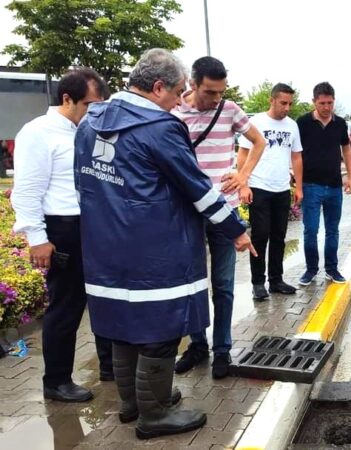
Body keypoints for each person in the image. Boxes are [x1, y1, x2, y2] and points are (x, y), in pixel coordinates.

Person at [74, 48, 255, 440]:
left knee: (121, 327)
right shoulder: (159, 127)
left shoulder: (91, 122)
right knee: (160, 332)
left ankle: (132, 403)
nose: (179, 102)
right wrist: (236, 230)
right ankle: (153, 415)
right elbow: (198, 190)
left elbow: (84, 185)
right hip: (154, 251)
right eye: (176, 93)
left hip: (105, 248)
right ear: (157, 88)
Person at [10, 68, 114, 403]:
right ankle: (56, 381)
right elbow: (26, 192)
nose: (93, 111)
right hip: (62, 229)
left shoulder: (87, 130)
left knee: (103, 300)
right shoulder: (38, 132)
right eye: (88, 104)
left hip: (94, 227)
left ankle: (111, 366)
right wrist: (37, 238)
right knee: (66, 309)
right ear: (66, 98)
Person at [171, 56, 267, 379]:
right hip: (187, 211)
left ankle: (222, 349)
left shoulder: (229, 110)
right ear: (193, 84)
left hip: (224, 209)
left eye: (220, 92)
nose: (216, 99)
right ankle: (197, 345)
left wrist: (243, 175)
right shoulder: (174, 113)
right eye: (210, 92)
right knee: (191, 283)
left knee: (223, 284)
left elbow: (258, 140)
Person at [239, 83, 303, 299]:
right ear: (272, 100)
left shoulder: (292, 126)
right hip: (259, 187)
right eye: (283, 102)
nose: (287, 107)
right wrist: (243, 184)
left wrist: (299, 187)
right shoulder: (255, 122)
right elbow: (243, 154)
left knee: (279, 236)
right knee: (260, 235)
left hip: (282, 188)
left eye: (290, 103)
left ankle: (276, 280)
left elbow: (296, 157)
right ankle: (258, 282)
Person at [296, 82, 351, 286]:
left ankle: (332, 269)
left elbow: (346, 149)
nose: (327, 107)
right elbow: (295, 154)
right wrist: (298, 185)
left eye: (330, 103)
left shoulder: (340, 124)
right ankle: (311, 269)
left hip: (334, 186)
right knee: (310, 230)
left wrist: (350, 176)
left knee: (333, 230)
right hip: (310, 186)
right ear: (314, 102)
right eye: (322, 103)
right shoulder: (302, 123)